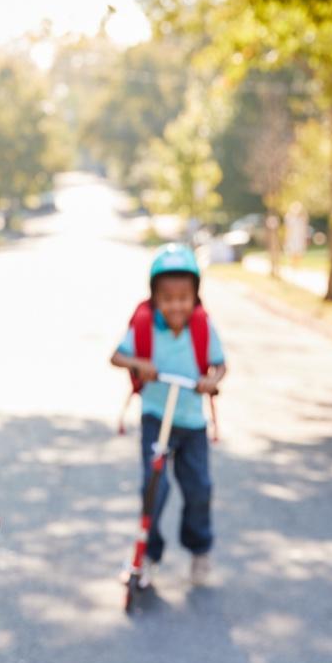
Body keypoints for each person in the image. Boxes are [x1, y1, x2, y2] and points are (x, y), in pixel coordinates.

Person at [110, 243, 226, 587]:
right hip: (156, 418)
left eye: (183, 297)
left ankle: (199, 550)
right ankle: (147, 554)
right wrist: (138, 363)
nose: (176, 305)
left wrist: (211, 380)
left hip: (191, 423)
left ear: (195, 297)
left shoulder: (202, 328)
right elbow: (116, 357)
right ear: (155, 298)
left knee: (199, 488)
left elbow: (220, 365)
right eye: (168, 297)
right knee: (154, 489)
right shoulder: (145, 324)